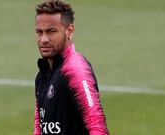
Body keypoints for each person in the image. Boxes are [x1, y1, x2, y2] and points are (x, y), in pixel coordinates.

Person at [33, 0, 110, 135]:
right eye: (39, 32)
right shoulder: (42, 76)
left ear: (70, 30)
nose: (44, 39)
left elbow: (96, 124)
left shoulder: (75, 70)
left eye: (51, 31)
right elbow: (39, 126)